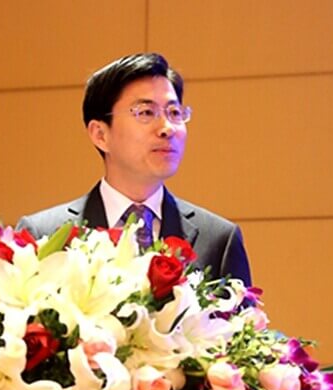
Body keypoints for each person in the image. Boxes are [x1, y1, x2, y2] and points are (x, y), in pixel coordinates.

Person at [16, 53, 251, 284]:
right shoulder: (43, 235)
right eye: (146, 112)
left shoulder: (218, 240)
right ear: (100, 134)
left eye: (174, 113)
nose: (167, 128)